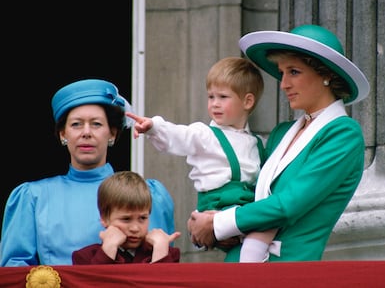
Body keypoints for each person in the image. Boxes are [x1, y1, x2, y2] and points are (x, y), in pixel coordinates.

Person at [187, 24, 370, 262]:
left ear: (327, 74)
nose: (283, 84)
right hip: (237, 262)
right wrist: (207, 219)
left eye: (293, 72)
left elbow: (288, 205)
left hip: (288, 271)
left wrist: (216, 223)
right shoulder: (281, 133)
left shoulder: (344, 134)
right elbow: (250, 200)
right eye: (282, 72)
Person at [0, 79, 175, 266]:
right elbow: (15, 272)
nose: (86, 132)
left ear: (113, 133)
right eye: (76, 124)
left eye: (96, 124)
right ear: (63, 134)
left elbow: (162, 274)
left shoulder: (150, 194)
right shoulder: (32, 197)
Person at [127, 56, 279, 262]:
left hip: (242, 205)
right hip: (219, 204)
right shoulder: (204, 134)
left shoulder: (257, 143)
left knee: (268, 222)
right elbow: (179, 135)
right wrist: (154, 127)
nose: (214, 104)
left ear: (247, 101)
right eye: (211, 97)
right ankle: (251, 264)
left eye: (223, 97)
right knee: (266, 223)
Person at [72, 171, 181, 264]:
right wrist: (108, 249)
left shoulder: (167, 253)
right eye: (126, 219)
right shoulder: (84, 257)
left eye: (142, 218)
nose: (135, 228)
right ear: (104, 218)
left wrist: (161, 250)